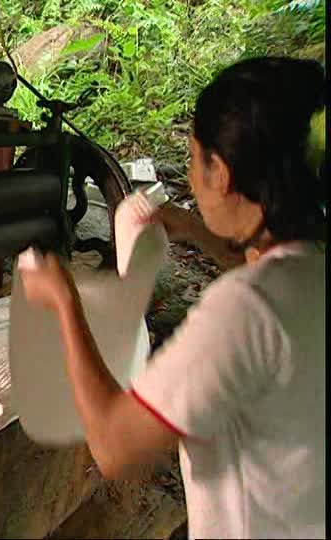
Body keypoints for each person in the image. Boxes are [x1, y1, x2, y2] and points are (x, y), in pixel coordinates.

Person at [19, 56, 326, 539]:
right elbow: (266, 280)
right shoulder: (309, 270)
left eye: (192, 157)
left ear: (219, 172)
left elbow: (112, 445)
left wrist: (63, 300)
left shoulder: (242, 310)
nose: (189, 172)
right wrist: (197, 231)